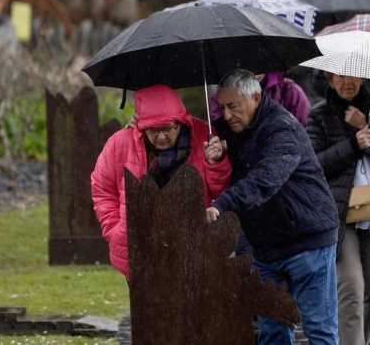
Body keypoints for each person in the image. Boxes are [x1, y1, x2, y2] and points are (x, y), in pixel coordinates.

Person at [205, 68, 340, 345]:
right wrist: (216, 160)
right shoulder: (226, 133)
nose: (227, 115)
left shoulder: (282, 128)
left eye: (233, 107)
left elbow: (266, 178)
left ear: (255, 97)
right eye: (222, 108)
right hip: (264, 247)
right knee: (272, 332)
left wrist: (224, 204)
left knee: (319, 330)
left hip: (307, 239)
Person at [305, 73, 370, 344]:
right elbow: (312, 164)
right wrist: (352, 145)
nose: (346, 82)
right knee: (351, 289)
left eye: (351, 76)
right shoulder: (319, 115)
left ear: (362, 79)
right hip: (338, 214)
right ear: (329, 80)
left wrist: (369, 125)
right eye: (338, 77)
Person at [91, 84, 232, 279]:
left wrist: (216, 163)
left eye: (168, 129)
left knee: (191, 306)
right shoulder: (120, 143)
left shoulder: (204, 137)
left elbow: (220, 191)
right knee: (148, 308)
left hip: (192, 243)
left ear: (180, 122)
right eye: (153, 131)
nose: (162, 137)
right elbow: (102, 190)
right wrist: (115, 229)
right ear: (141, 126)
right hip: (140, 245)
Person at [209, 70, 311, 124]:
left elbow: (306, 129)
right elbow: (221, 131)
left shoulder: (289, 91)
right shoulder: (223, 97)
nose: (253, 72)